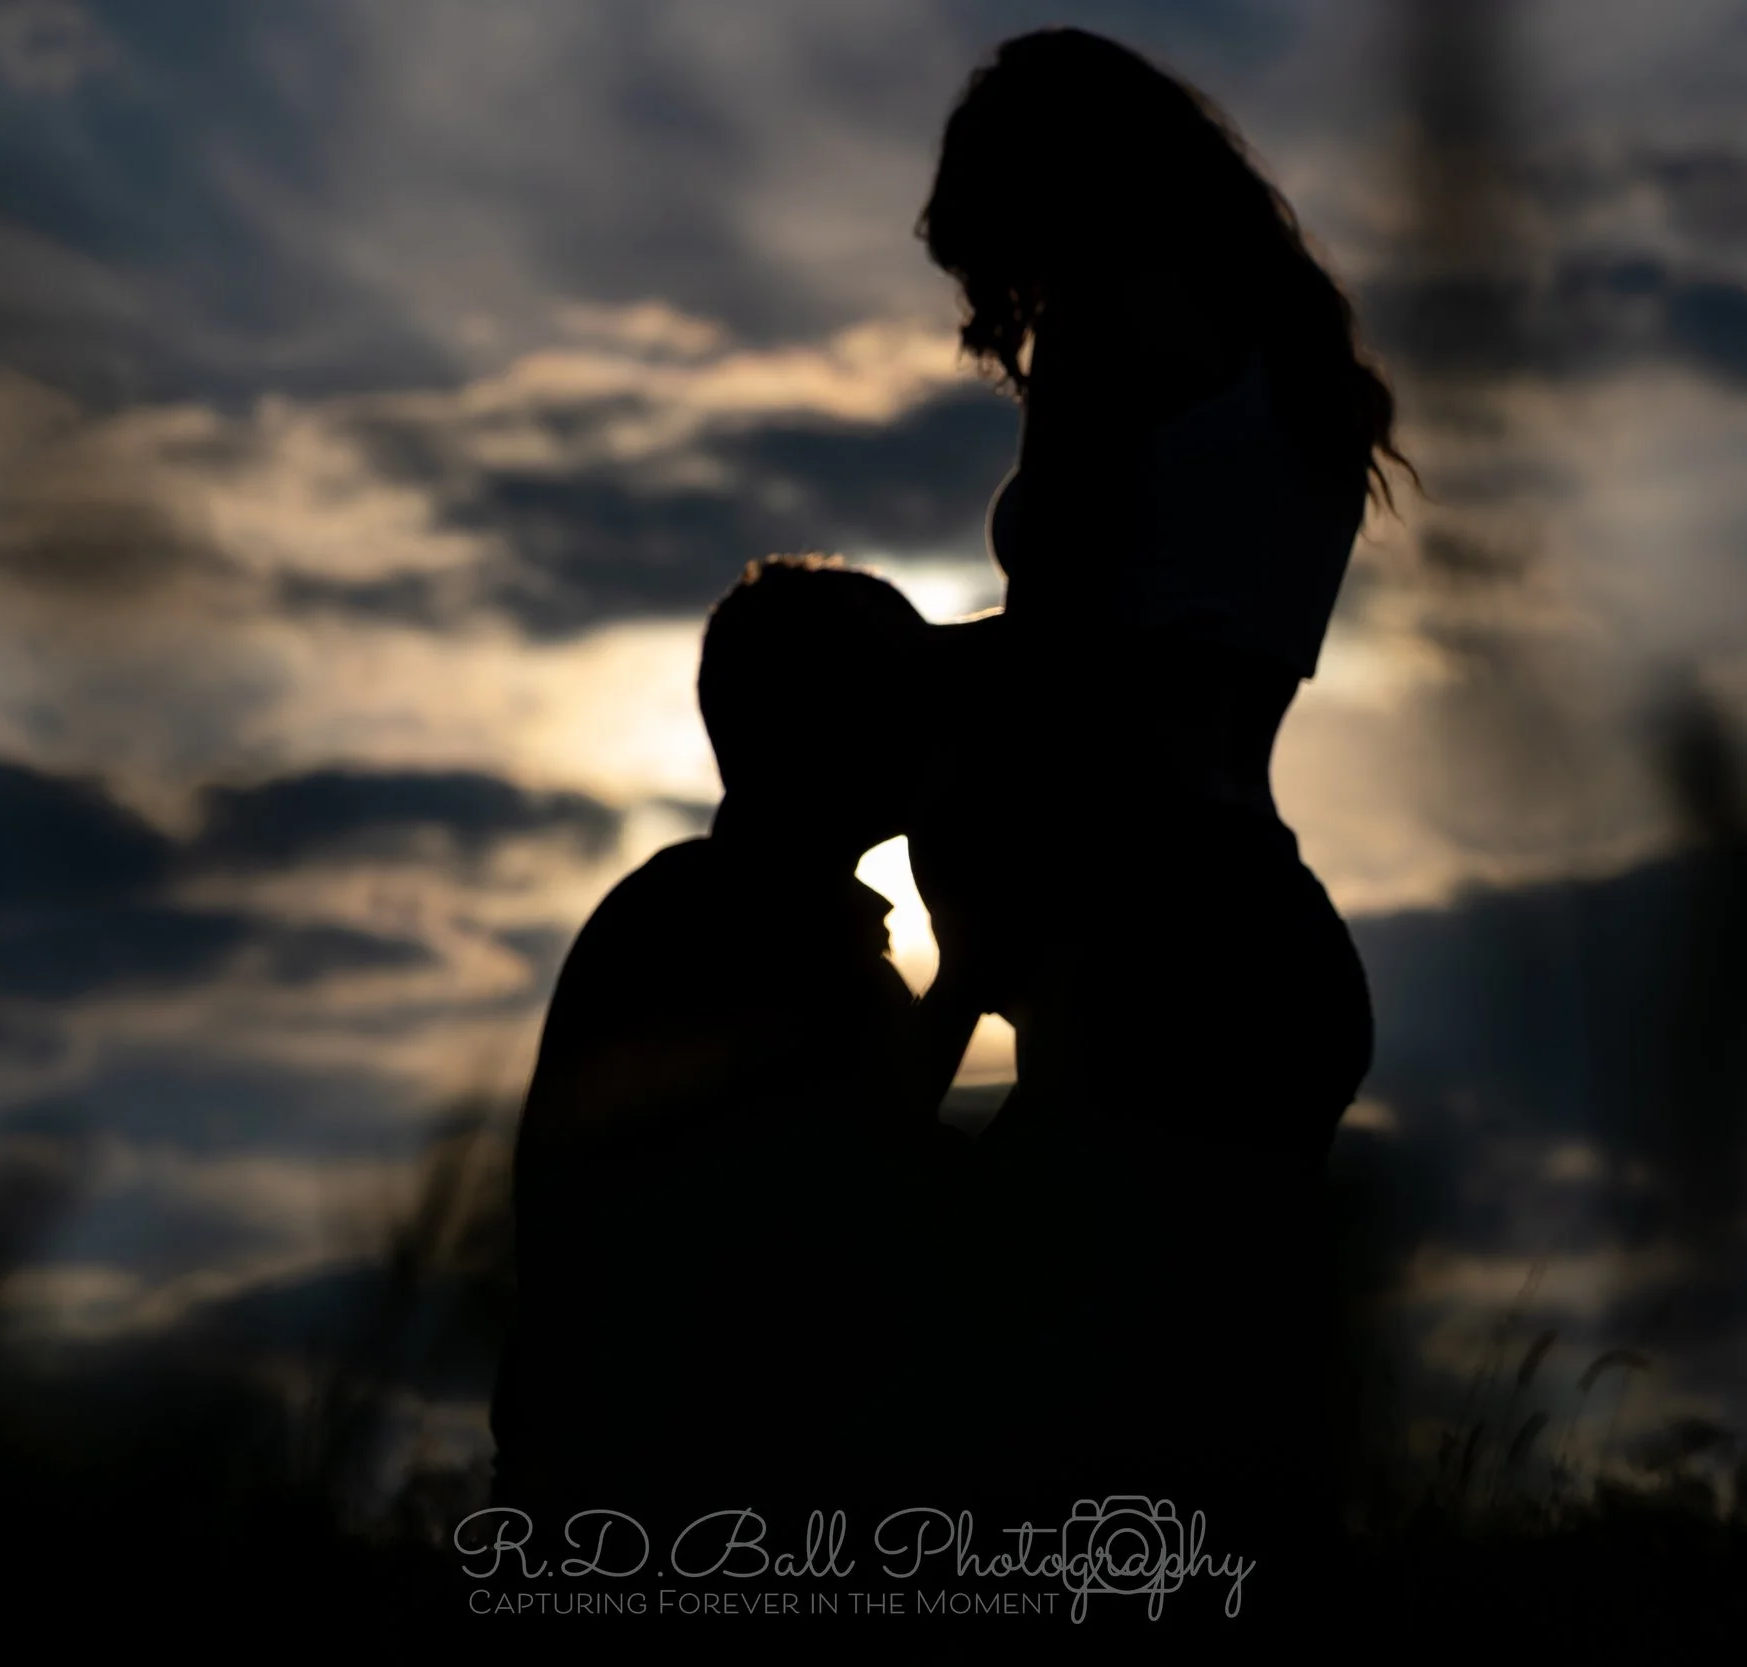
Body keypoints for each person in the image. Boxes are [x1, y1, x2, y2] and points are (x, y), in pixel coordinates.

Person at [906, 26, 1401, 1600]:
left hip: (1154, 941)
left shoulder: (1113, 332)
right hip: (1257, 920)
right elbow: (1183, 648)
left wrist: (876, 669)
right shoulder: (1292, 366)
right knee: (1225, 1456)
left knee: (1065, 1456)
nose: (1011, 293)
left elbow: (1071, 650)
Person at [487, 556, 983, 1539]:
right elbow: (871, 1179)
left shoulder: (702, 915)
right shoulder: (730, 928)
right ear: (827, 722)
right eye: (900, 691)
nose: (936, 721)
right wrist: (972, 973)